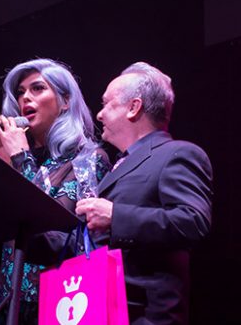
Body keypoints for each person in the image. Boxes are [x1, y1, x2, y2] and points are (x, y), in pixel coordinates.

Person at [76, 62, 213, 325]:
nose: (99, 115)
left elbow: (193, 221)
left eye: (107, 104)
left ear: (134, 107)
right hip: (101, 309)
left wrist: (115, 216)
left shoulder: (178, 154)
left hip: (145, 316)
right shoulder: (120, 164)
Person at [0, 58, 111, 324]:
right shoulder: (20, 157)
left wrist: (21, 159)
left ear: (65, 101)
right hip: (8, 301)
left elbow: (50, 224)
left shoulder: (88, 159)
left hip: (60, 301)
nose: (25, 98)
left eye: (37, 88)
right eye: (21, 92)